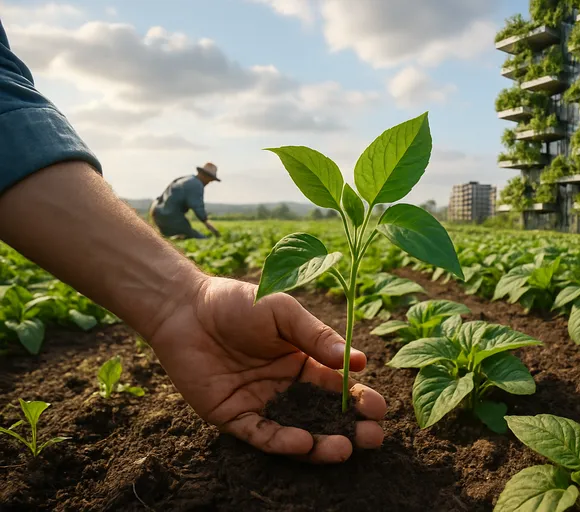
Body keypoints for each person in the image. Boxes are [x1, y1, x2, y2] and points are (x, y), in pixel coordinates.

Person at [0, 19, 385, 464]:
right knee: (188, 237)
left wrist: (182, 298)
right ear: (207, 176)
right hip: (164, 215)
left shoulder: (187, 178)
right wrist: (201, 245)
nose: (208, 180)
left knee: (186, 246)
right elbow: (194, 213)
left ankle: (186, 274)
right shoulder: (195, 186)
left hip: (153, 216)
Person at [149, 163, 221, 239]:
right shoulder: (196, 184)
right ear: (204, 175)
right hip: (170, 217)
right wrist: (207, 223)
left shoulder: (185, 179)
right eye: (209, 180)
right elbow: (197, 206)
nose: (208, 183)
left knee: (170, 237)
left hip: (157, 212)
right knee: (197, 237)